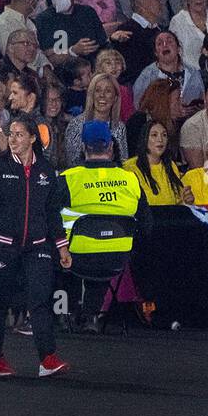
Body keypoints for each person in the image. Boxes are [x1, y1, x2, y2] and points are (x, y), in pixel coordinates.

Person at [0, 113, 72, 379]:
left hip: (38, 246)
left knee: (40, 301)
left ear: (32, 138)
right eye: (10, 134)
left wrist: (62, 247)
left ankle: (47, 358)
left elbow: (53, 212)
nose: (13, 139)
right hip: (3, 244)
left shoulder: (46, 170)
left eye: (18, 134)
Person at [56, 119, 146, 331]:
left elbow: (47, 218)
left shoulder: (69, 179)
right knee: (105, 241)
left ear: (83, 147)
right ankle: (90, 314)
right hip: (117, 258)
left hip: (75, 257)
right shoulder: (131, 179)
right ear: (111, 147)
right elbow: (146, 225)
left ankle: (63, 312)